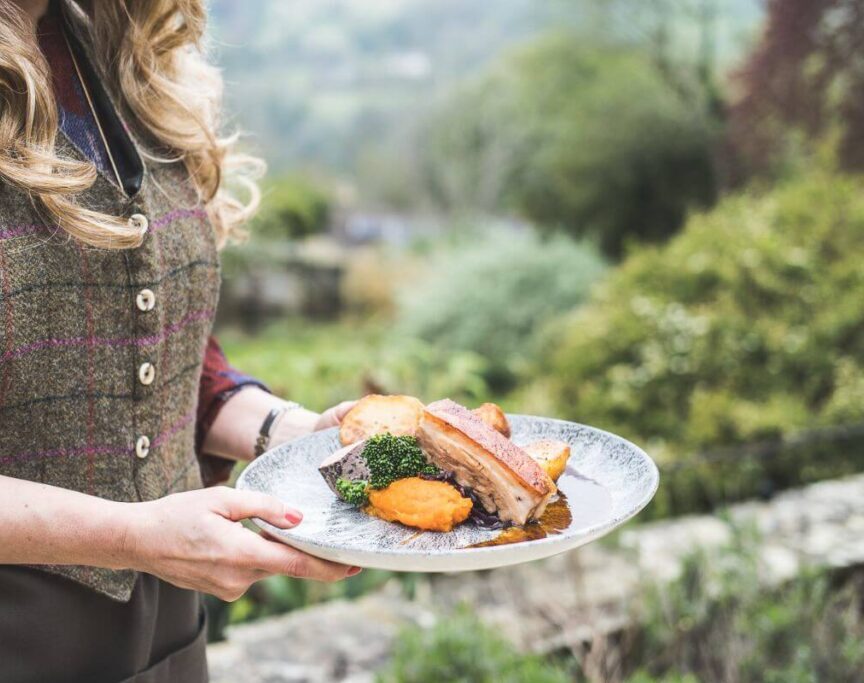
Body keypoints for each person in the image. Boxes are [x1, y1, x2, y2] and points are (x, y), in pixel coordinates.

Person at [0, 1, 358, 680]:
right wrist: (131, 535)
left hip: (168, 628)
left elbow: (154, 346)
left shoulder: (117, 51)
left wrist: (294, 434)